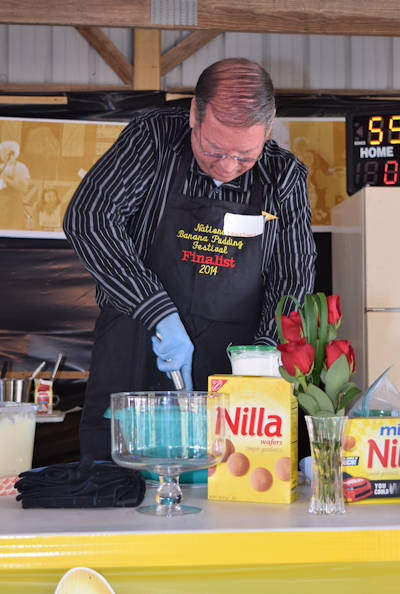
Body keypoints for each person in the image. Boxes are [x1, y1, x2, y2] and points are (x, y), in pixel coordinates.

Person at [63, 58, 316, 461]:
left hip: (233, 355)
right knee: (119, 476)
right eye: (213, 150)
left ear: (267, 129)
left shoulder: (282, 176)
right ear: (194, 113)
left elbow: (294, 276)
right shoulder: (153, 138)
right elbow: (90, 218)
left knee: (224, 484)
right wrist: (156, 311)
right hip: (137, 340)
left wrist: (264, 355)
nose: (228, 167)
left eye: (245, 156)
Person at [0, 140, 30, 230]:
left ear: (14, 154)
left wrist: (6, 179)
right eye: (2, 152)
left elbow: (24, 188)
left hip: (14, 204)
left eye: (8, 153)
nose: (5, 155)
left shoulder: (21, 167)